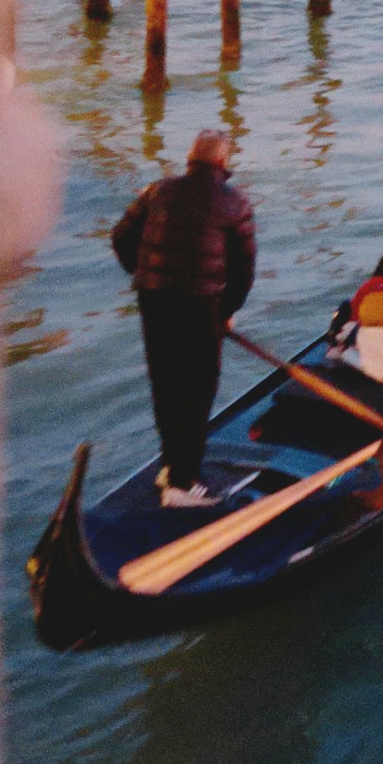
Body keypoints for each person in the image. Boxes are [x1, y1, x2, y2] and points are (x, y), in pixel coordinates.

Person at [111, 131, 257, 506]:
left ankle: (171, 465)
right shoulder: (235, 203)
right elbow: (244, 271)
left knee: (166, 382)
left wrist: (144, 273)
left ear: (190, 159)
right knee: (196, 389)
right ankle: (183, 482)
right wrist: (225, 313)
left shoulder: (157, 191)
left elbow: (120, 237)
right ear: (223, 163)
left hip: (154, 298)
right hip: (198, 304)